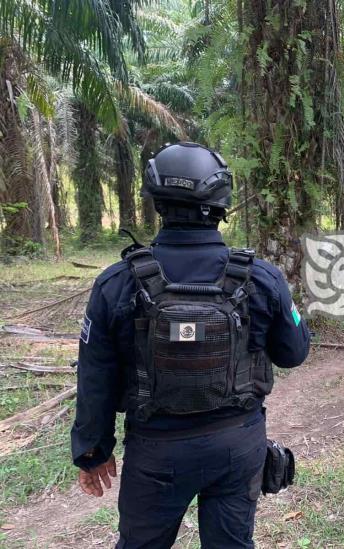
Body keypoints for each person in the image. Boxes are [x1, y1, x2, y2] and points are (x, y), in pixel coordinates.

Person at [70, 142, 311, 548]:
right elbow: (294, 352)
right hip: (237, 445)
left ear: (157, 202)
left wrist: (93, 452)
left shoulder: (117, 282)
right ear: (221, 203)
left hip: (155, 453)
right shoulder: (262, 278)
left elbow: (95, 374)